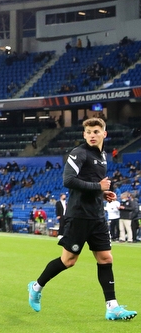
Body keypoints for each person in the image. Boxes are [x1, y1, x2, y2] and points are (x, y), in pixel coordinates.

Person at [27, 117, 136, 321]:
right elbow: (68, 180)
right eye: (88, 132)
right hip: (79, 216)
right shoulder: (79, 153)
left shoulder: (103, 156)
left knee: (106, 258)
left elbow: (91, 183)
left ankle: (112, 306)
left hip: (97, 216)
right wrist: (98, 188)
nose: (92, 135)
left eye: (96, 131)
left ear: (104, 133)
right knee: (68, 261)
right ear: (84, 135)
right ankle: (36, 287)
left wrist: (102, 194)